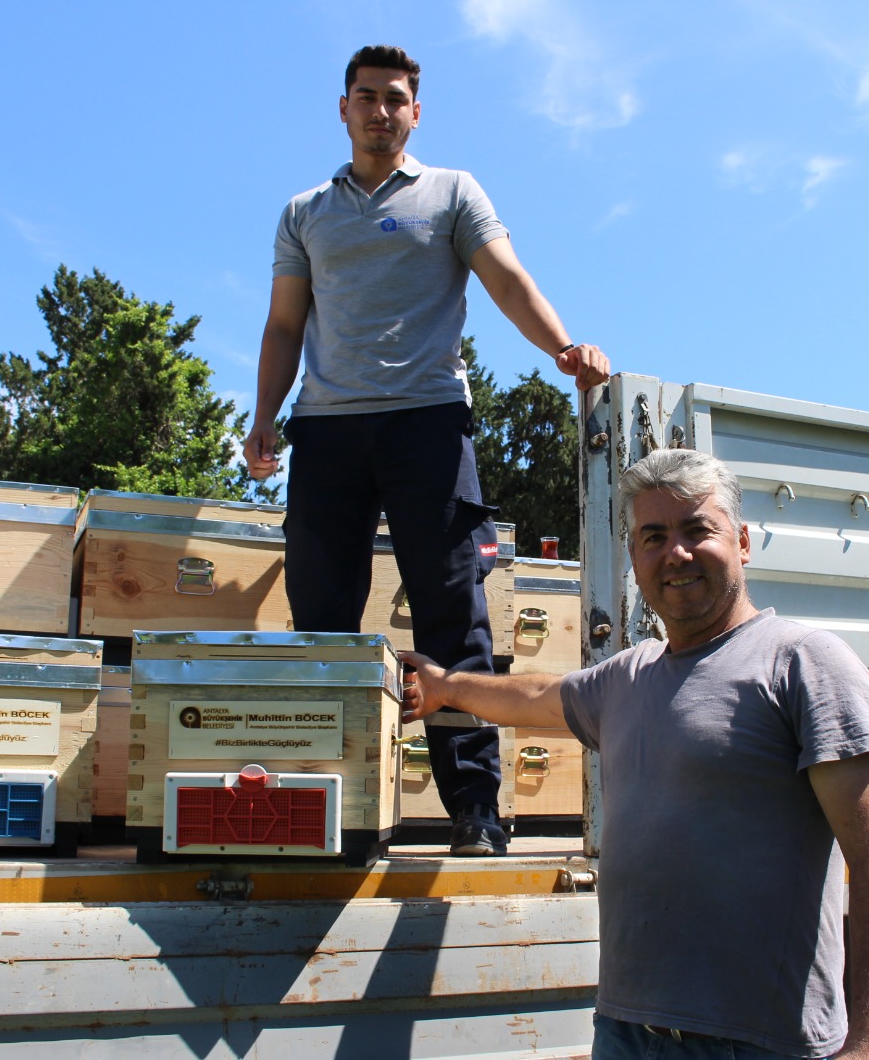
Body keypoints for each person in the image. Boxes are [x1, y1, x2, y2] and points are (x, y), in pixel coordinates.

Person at [401, 449, 869, 1058]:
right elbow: (537, 694)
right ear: (635, 558)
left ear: (743, 542)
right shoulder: (627, 677)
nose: (676, 553)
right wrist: (446, 687)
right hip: (625, 1032)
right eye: (654, 536)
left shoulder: (804, 664)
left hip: (761, 1044)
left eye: (698, 529)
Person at [244, 44, 609, 857]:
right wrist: (264, 415)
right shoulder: (306, 210)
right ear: (342, 109)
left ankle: (476, 810)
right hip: (328, 430)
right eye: (366, 97)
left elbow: (507, 277)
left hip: (429, 424)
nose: (381, 110)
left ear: (417, 112)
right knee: (324, 618)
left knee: (452, 616)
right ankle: (333, 807)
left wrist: (562, 349)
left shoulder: (452, 192)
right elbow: (283, 324)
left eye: (396, 99)